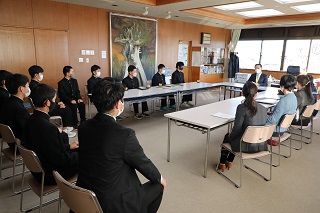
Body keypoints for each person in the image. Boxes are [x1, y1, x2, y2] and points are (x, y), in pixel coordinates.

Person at [76, 78, 165, 213]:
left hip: (85, 193)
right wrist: (159, 178)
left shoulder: (83, 127)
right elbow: (143, 163)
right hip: (111, 204)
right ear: (118, 104)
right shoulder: (124, 134)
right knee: (159, 185)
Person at [22, 84, 78, 185]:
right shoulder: (48, 128)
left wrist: (69, 146)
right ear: (47, 102)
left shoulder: (30, 120)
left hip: (39, 169)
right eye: (54, 99)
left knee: (76, 149)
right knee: (88, 155)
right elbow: (60, 160)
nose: (54, 102)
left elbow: (47, 148)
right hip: (51, 174)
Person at [218, 82, 268, 171]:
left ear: (242, 93)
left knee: (229, 137)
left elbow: (237, 128)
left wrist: (231, 137)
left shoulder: (242, 107)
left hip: (245, 146)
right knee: (237, 136)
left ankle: (222, 163)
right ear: (257, 94)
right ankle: (229, 161)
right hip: (261, 145)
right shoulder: (264, 108)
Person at [28, 65, 75, 137]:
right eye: (41, 73)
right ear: (36, 75)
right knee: (66, 110)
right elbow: (44, 101)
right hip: (44, 109)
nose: (42, 75)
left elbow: (46, 99)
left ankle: (66, 128)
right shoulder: (35, 87)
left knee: (65, 107)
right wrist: (58, 105)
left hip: (42, 107)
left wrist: (57, 103)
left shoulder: (34, 85)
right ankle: (65, 130)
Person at [0, 74, 30, 151]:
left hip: (11, 142)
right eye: (27, 86)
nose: (28, 89)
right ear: (21, 89)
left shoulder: (8, 102)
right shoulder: (19, 108)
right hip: (20, 145)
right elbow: (29, 130)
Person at [265, 75, 297, 145]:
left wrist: (263, 118)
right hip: (284, 128)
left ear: (282, 86)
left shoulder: (283, 101)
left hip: (275, 130)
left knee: (254, 120)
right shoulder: (294, 97)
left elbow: (273, 120)